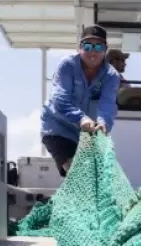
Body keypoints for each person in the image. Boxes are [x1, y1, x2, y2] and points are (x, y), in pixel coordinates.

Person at [39, 24, 122, 176]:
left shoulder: (112, 76)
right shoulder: (67, 65)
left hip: (87, 135)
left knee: (96, 174)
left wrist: (103, 124)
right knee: (75, 172)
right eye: (88, 46)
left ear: (105, 49)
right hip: (57, 128)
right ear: (79, 47)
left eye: (98, 47)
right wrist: (81, 118)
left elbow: (108, 105)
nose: (93, 52)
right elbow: (60, 100)